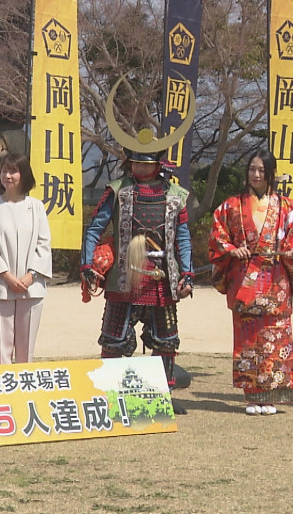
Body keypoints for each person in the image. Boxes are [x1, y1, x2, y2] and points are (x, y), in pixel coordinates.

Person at [80, 150, 194, 414]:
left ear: (157, 165)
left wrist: (187, 273)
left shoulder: (175, 195)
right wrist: (87, 264)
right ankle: (111, 394)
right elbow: (95, 229)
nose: (141, 169)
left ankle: (164, 395)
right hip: (124, 276)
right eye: (136, 164)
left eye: (146, 164)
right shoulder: (118, 191)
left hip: (162, 278)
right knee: (113, 339)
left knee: (166, 340)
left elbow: (182, 238)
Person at [208, 150, 293, 415]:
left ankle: (272, 397)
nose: (256, 175)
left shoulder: (287, 207)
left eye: (262, 170)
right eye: (252, 169)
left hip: (276, 279)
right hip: (245, 279)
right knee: (248, 340)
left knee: (276, 338)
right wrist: (232, 249)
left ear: (271, 173)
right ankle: (252, 396)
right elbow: (217, 235)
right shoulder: (231, 206)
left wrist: (292, 250)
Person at [0, 153, 52, 364]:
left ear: (24, 174)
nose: (7, 176)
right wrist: (7, 276)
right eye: (4, 171)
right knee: (2, 351)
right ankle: (3, 385)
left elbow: (43, 244)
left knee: (25, 351)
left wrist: (31, 276)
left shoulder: (36, 207)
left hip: (31, 287)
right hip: (0, 287)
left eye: (13, 171)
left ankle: (24, 385)